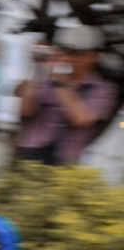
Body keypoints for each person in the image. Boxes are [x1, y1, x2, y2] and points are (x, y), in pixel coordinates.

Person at [15, 26, 118, 166]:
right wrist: (38, 67)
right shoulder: (45, 79)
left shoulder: (104, 89)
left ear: (95, 56)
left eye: (81, 53)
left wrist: (60, 82)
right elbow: (25, 110)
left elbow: (81, 119)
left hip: (65, 163)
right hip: (29, 154)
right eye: (68, 52)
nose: (73, 58)